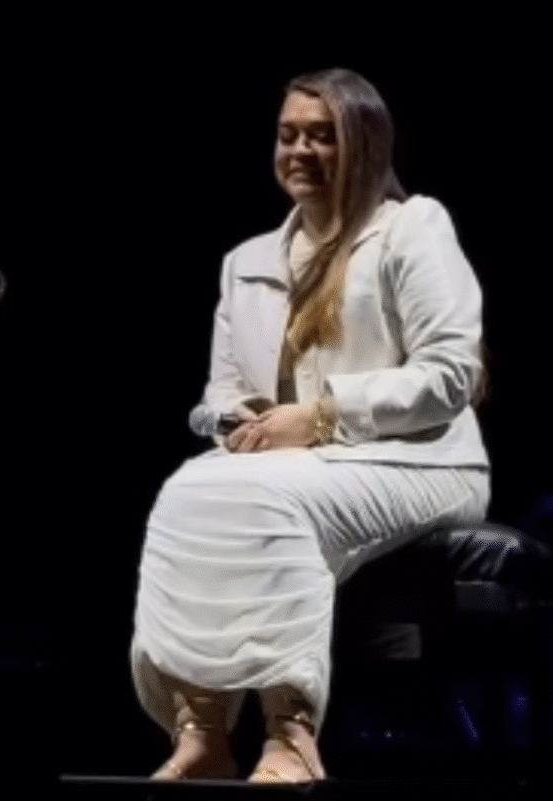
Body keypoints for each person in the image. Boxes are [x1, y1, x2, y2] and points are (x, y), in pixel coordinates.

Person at [129, 68, 491, 784]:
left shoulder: (412, 227)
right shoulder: (247, 261)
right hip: (292, 462)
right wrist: (234, 418)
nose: (301, 150)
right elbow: (222, 389)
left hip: (422, 460)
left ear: (366, 143)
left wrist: (323, 415)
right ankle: (202, 729)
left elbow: (453, 375)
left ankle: (290, 735)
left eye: (323, 136)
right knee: (186, 490)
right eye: (289, 135)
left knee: (268, 500)